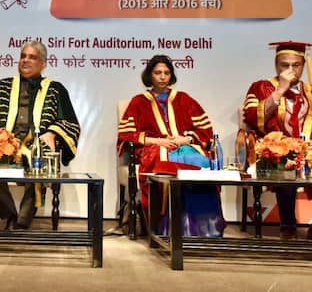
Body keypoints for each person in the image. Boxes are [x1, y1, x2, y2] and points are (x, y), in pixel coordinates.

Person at [0, 41, 80, 229]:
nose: (25, 60)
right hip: (5, 144)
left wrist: (52, 133)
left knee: (41, 156)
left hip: (34, 145)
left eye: (32, 57)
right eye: (23, 56)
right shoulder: (2, 86)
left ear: (43, 63)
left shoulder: (56, 89)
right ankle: (10, 215)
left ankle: (23, 220)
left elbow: (69, 122)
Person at [117, 54, 224, 237]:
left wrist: (186, 139)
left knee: (200, 162)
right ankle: (168, 228)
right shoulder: (138, 102)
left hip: (184, 145)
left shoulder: (184, 99)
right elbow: (126, 135)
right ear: (150, 75)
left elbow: (205, 130)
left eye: (166, 73)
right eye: (157, 73)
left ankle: (205, 227)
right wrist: (159, 141)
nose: (162, 77)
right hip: (155, 149)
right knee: (168, 164)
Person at [243, 41, 312, 240]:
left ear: (303, 65)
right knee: (284, 162)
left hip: (306, 147)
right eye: (284, 65)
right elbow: (251, 117)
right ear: (276, 65)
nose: (290, 70)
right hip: (276, 147)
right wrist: (280, 90)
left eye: (296, 65)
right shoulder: (261, 87)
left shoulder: (309, 91)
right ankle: (288, 225)